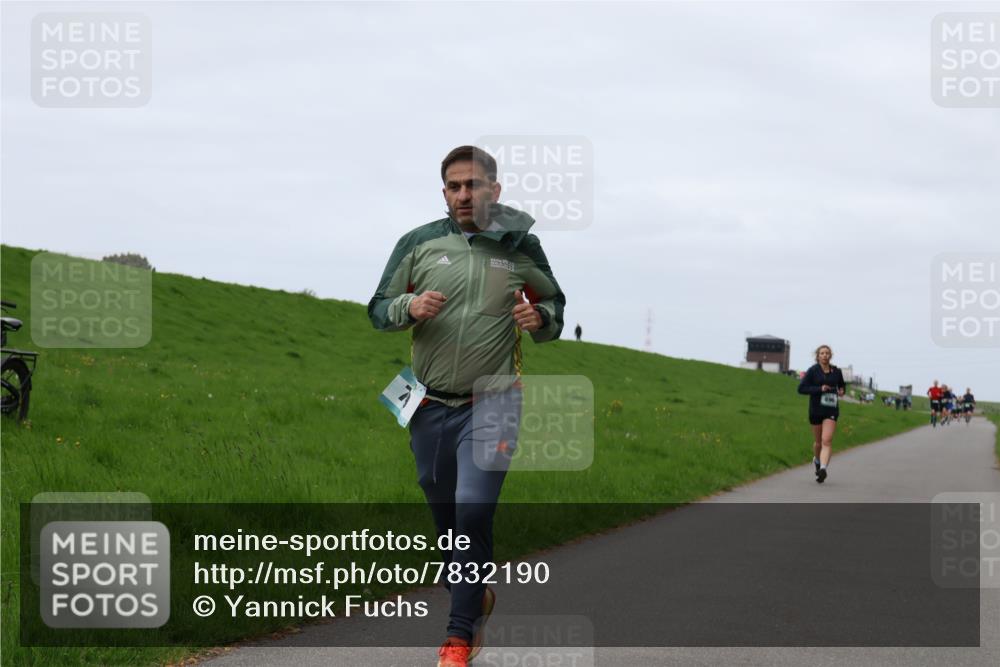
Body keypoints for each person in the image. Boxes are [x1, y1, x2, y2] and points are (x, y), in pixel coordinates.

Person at [368, 146, 565, 667]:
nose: (462, 195)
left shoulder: (521, 246)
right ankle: (473, 593)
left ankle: (459, 636)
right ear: (444, 192)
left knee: (473, 509)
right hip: (428, 403)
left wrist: (540, 318)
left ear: (494, 191)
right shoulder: (419, 243)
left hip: (494, 401)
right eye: (453, 186)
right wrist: (408, 306)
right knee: (445, 515)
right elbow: (378, 310)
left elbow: (555, 305)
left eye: (472, 185)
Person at [797, 345, 846, 483]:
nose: (824, 355)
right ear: (818, 356)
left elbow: (842, 385)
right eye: (822, 353)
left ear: (830, 355)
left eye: (827, 353)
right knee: (818, 442)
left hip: (831, 409)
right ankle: (817, 461)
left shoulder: (837, 371)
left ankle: (823, 469)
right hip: (816, 410)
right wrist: (820, 388)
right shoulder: (813, 371)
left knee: (827, 440)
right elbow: (801, 389)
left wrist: (842, 391)